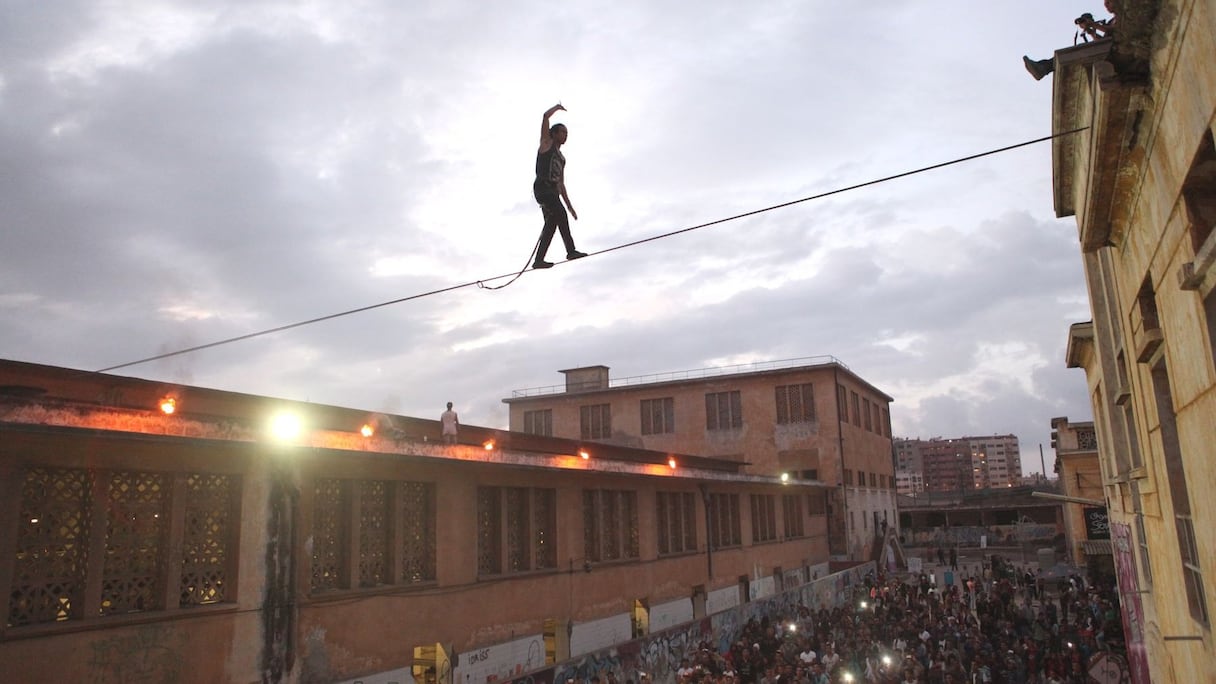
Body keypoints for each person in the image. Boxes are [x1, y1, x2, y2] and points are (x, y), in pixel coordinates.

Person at [532, 103, 586, 269]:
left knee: (552, 224)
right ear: (553, 134)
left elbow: (561, 184)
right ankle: (571, 251)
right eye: (562, 132)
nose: (565, 135)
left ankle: (538, 260)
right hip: (542, 188)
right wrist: (556, 107)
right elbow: (545, 117)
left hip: (553, 193)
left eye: (567, 133)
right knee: (559, 214)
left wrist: (570, 207)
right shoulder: (546, 144)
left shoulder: (562, 158)